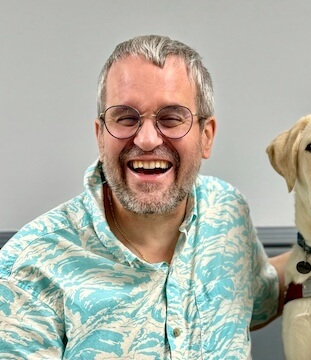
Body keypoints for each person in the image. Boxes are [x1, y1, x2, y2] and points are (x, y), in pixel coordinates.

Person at [0, 35, 289, 359]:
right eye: (125, 118)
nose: (148, 139)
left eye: (171, 118)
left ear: (206, 136)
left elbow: (263, 295)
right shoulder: (29, 265)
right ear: (100, 135)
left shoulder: (226, 212)